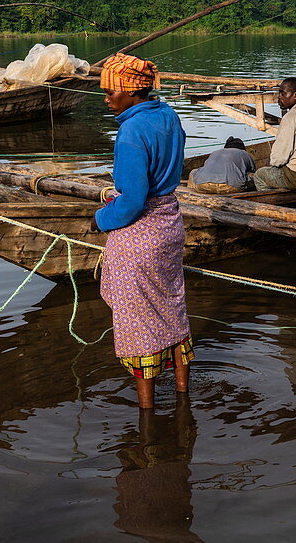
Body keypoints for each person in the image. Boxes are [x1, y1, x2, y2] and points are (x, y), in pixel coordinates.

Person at [93, 53, 191, 409]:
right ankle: (182, 393)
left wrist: (100, 219)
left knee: (137, 318)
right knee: (171, 305)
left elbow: (132, 202)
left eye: (110, 93)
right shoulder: (168, 114)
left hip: (142, 231)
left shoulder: (131, 130)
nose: (107, 99)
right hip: (169, 222)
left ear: (132, 94)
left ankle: (147, 413)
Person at [187, 136, 255, 193]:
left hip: (203, 185)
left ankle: (190, 195)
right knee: (254, 176)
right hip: (229, 187)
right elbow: (253, 171)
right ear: (242, 148)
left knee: (193, 172)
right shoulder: (244, 153)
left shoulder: (215, 152)